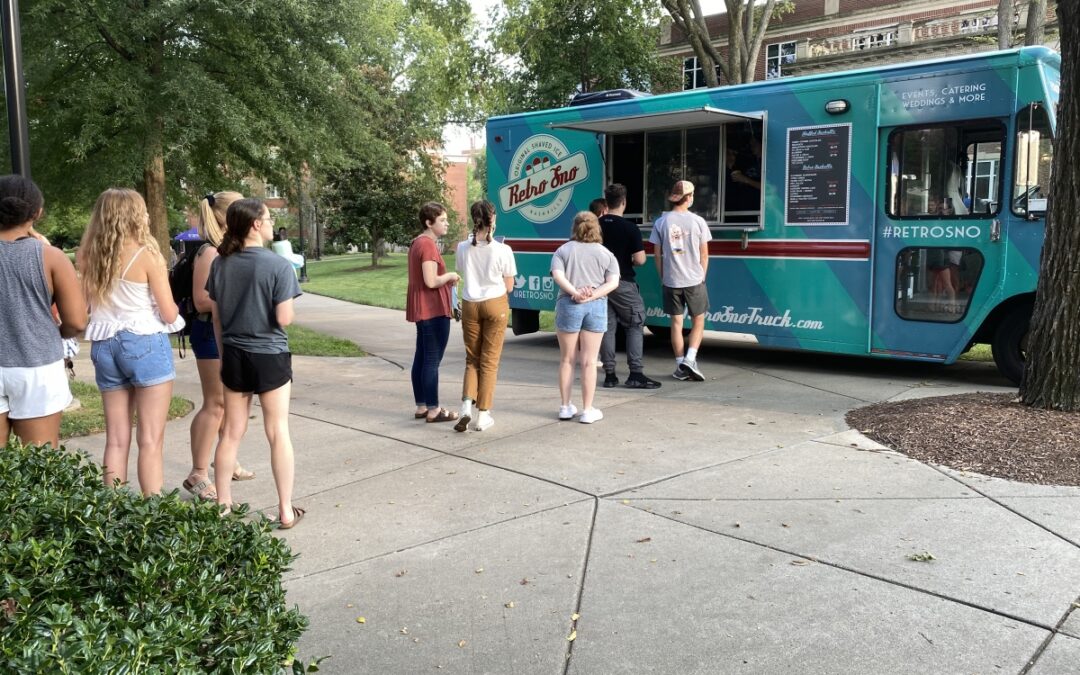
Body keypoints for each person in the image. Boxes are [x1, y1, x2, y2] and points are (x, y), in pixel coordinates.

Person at [207, 198, 304, 527]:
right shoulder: (278, 265)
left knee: (231, 433)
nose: (270, 222)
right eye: (267, 217)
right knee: (277, 431)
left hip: (233, 354)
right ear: (255, 225)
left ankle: (223, 505)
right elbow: (284, 318)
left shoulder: (220, 264)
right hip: (270, 355)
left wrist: (223, 357)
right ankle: (286, 509)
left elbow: (217, 319)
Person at [80, 189, 183, 495]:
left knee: (116, 437)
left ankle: (112, 514)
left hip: (104, 345)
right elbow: (168, 312)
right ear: (136, 215)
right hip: (144, 342)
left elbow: (87, 306)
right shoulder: (147, 254)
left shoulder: (88, 255)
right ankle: (152, 516)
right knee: (150, 439)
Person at [0, 175, 86, 448]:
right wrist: (57, 331)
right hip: (37, 364)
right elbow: (76, 321)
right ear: (37, 212)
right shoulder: (51, 257)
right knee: (40, 465)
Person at [182, 191, 255, 502]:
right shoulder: (209, 252)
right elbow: (201, 299)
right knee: (216, 403)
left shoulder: (227, 249)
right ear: (226, 215)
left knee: (234, 403)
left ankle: (227, 458)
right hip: (209, 333)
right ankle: (198, 473)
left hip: (227, 331)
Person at [453, 200, 517, 432]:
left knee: (472, 359)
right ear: (493, 220)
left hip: (471, 304)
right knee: (489, 361)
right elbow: (509, 286)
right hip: (495, 304)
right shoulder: (503, 250)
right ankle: (483, 414)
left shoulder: (462, 247)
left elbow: (463, 271)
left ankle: (465, 407)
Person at [550, 211, 620, 424]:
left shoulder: (563, 250)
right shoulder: (606, 253)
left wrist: (575, 293)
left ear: (575, 228)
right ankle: (588, 410)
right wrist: (592, 295)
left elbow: (557, 275)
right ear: (596, 228)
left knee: (567, 359)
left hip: (569, 304)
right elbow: (613, 282)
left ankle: (565, 406)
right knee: (589, 361)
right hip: (596, 306)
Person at [598, 184, 661, 390]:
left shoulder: (594, 225)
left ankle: (609, 375)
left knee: (607, 327)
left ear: (606, 203)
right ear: (624, 202)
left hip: (599, 284)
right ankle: (635, 373)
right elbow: (640, 260)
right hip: (623, 282)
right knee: (635, 323)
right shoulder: (630, 228)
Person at [649, 180, 712, 381]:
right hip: (694, 279)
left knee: (676, 323)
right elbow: (704, 255)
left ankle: (679, 365)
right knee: (698, 321)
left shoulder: (661, 222)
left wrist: (663, 277)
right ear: (689, 197)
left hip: (671, 280)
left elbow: (657, 255)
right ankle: (690, 359)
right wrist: (702, 276)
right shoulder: (698, 222)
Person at [407, 202, 461, 423]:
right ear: (429, 223)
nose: (447, 223)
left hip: (424, 309)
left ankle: (422, 406)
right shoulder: (427, 245)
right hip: (433, 309)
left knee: (421, 358)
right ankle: (434, 409)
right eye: (442, 220)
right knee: (431, 360)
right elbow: (431, 281)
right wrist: (450, 276)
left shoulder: (417, 243)